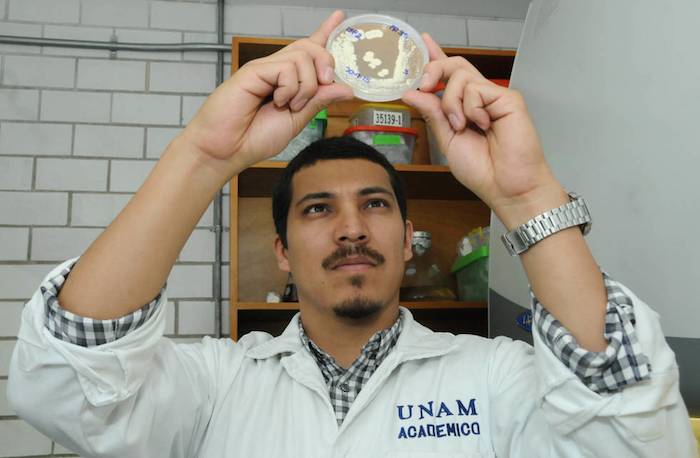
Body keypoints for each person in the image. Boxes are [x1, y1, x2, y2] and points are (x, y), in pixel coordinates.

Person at [6, 10, 697, 458]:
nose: (350, 228)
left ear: (407, 238)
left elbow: (635, 434)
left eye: (374, 204)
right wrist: (204, 157)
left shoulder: (497, 378)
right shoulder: (214, 385)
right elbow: (66, 383)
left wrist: (525, 193)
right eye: (316, 210)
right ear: (280, 250)